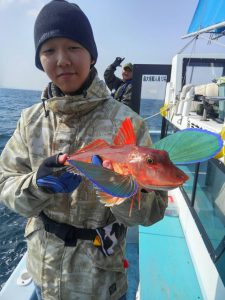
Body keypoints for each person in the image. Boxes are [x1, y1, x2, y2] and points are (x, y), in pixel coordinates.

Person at [0, 1, 168, 299]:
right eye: (49, 50)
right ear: (40, 60)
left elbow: (152, 212)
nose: (62, 59)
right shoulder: (30, 121)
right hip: (43, 275)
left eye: (74, 47)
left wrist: (117, 187)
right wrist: (37, 184)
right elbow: (6, 186)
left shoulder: (128, 122)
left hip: (101, 283)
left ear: (91, 55)